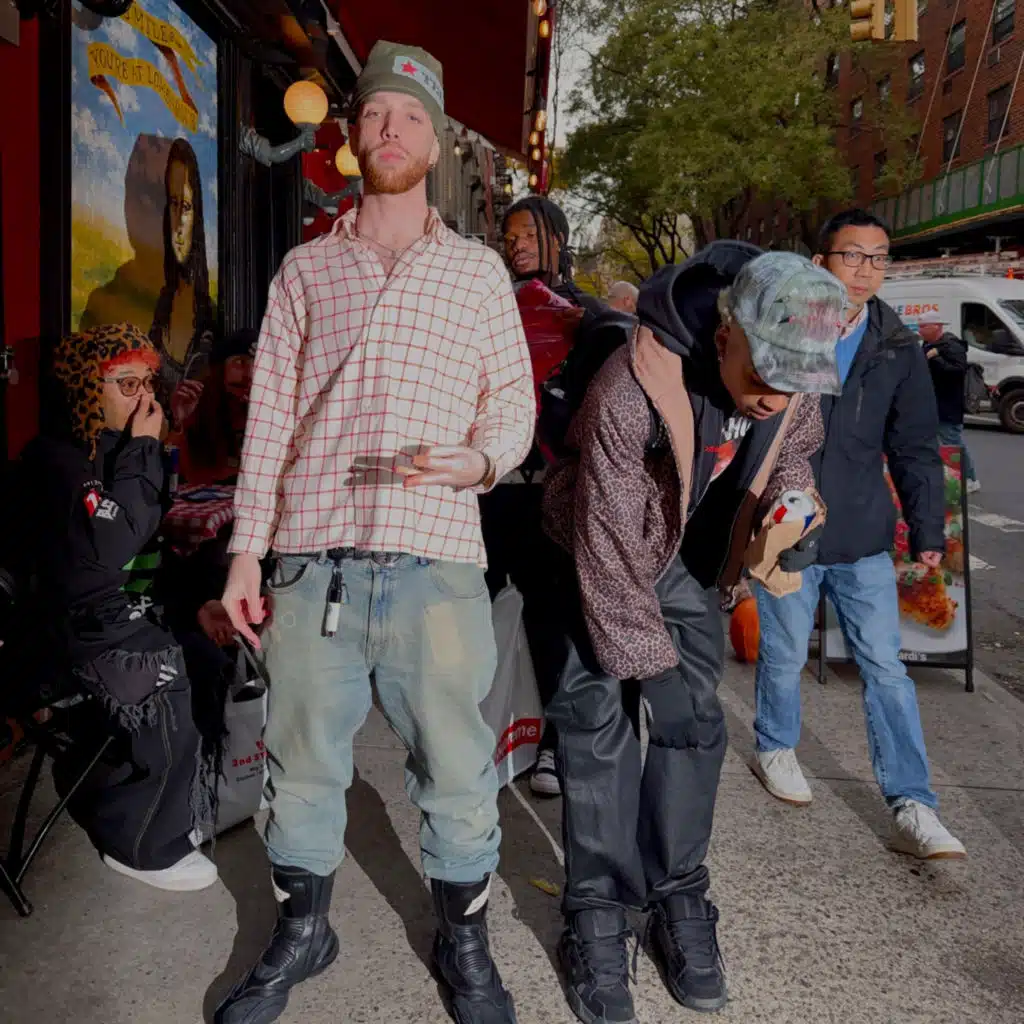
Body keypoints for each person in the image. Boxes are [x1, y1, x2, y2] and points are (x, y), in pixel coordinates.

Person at [215, 41, 534, 1024]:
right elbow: (271, 417)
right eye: (375, 113)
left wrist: (481, 461)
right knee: (301, 765)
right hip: (313, 566)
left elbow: (513, 405)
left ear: (434, 143)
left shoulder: (477, 273)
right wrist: (246, 551)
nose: (391, 129)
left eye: (410, 116)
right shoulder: (307, 269)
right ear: (353, 135)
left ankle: (464, 941)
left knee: (458, 769)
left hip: (437, 565)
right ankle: (304, 930)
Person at [542, 244, 847, 1024]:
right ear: (724, 333)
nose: (777, 396)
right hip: (599, 551)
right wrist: (653, 668)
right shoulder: (631, 386)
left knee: (693, 724)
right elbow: (607, 544)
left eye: (796, 381)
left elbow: (794, 454)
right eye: (764, 374)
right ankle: (596, 910)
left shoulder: (790, 386)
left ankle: (677, 895)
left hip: (695, 560)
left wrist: (793, 512)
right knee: (598, 723)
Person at [751, 209, 967, 861]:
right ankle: (775, 746)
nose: (866, 269)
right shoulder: (787, 329)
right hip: (788, 527)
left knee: (886, 669)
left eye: (878, 258)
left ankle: (912, 802)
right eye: (852, 255)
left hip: (863, 531)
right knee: (784, 653)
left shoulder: (897, 345)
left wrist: (927, 529)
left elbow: (915, 445)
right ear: (820, 263)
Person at [13, 323, 216, 891]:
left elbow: (145, 521)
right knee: (163, 673)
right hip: (58, 635)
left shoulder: (108, 446)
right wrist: (146, 448)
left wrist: (158, 440)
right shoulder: (55, 460)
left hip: (111, 615)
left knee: (207, 653)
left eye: (148, 382)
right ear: (86, 388)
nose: (144, 397)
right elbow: (111, 546)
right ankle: (143, 843)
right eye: (127, 384)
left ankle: (183, 796)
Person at [150, 138, 215, 406]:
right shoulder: (159, 306)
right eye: (173, 204)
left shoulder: (211, 318)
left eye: (186, 207)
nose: (177, 223)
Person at [172, 328, 257, 486]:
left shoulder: (278, 409)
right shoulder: (198, 404)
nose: (250, 374)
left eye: (260, 364)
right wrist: (179, 423)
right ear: (219, 369)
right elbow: (179, 473)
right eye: (239, 363)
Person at [502, 195, 606, 319]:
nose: (518, 246)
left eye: (530, 235)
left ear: (558, 240)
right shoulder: (497, 303)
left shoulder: (591, 310)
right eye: (510, 239)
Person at [917, 311, 980, 493]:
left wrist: (936, 358)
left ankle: (970, 478)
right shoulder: (927, 345)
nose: (920, 331)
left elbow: (957, 372)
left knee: (952, 441)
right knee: (935, 442)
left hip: (948, 404)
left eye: (923, 327)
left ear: (936, 327)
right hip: (931, 403)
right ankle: (943, 477)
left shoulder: (952, 346)